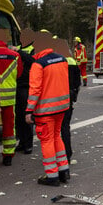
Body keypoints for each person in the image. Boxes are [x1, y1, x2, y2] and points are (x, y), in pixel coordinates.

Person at [25, 30, 71, 187]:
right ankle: (63, 171)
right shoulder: (62, 59)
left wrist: (29, 110)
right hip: (62, 107)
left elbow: (35, 90)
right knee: (57, 137)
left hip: (45, 110)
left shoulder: (39, 64)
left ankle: (52, 176)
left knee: (46, 141)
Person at [0, 30, 22, 167]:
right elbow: (19, 74)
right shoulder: (15, 56)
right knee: (9, 128)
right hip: (9, 99)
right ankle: (8, 155)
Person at [14, 36, 36, 155]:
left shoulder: (33, 49)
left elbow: (32, 61)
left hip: (27, 85)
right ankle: (21, 142)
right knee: (18, 117)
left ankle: (28, 145)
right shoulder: (17, 48)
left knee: (27, 117)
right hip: (17, 84)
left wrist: (19, 52)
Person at [62, 48, 82, 164]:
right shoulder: (72, 61)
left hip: (53, 100)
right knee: (65, 127)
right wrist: (74, 96)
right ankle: (67, 154)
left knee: (53, 131)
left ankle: (57, 154)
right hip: (68, 97)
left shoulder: (52, 61)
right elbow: (77, 82)